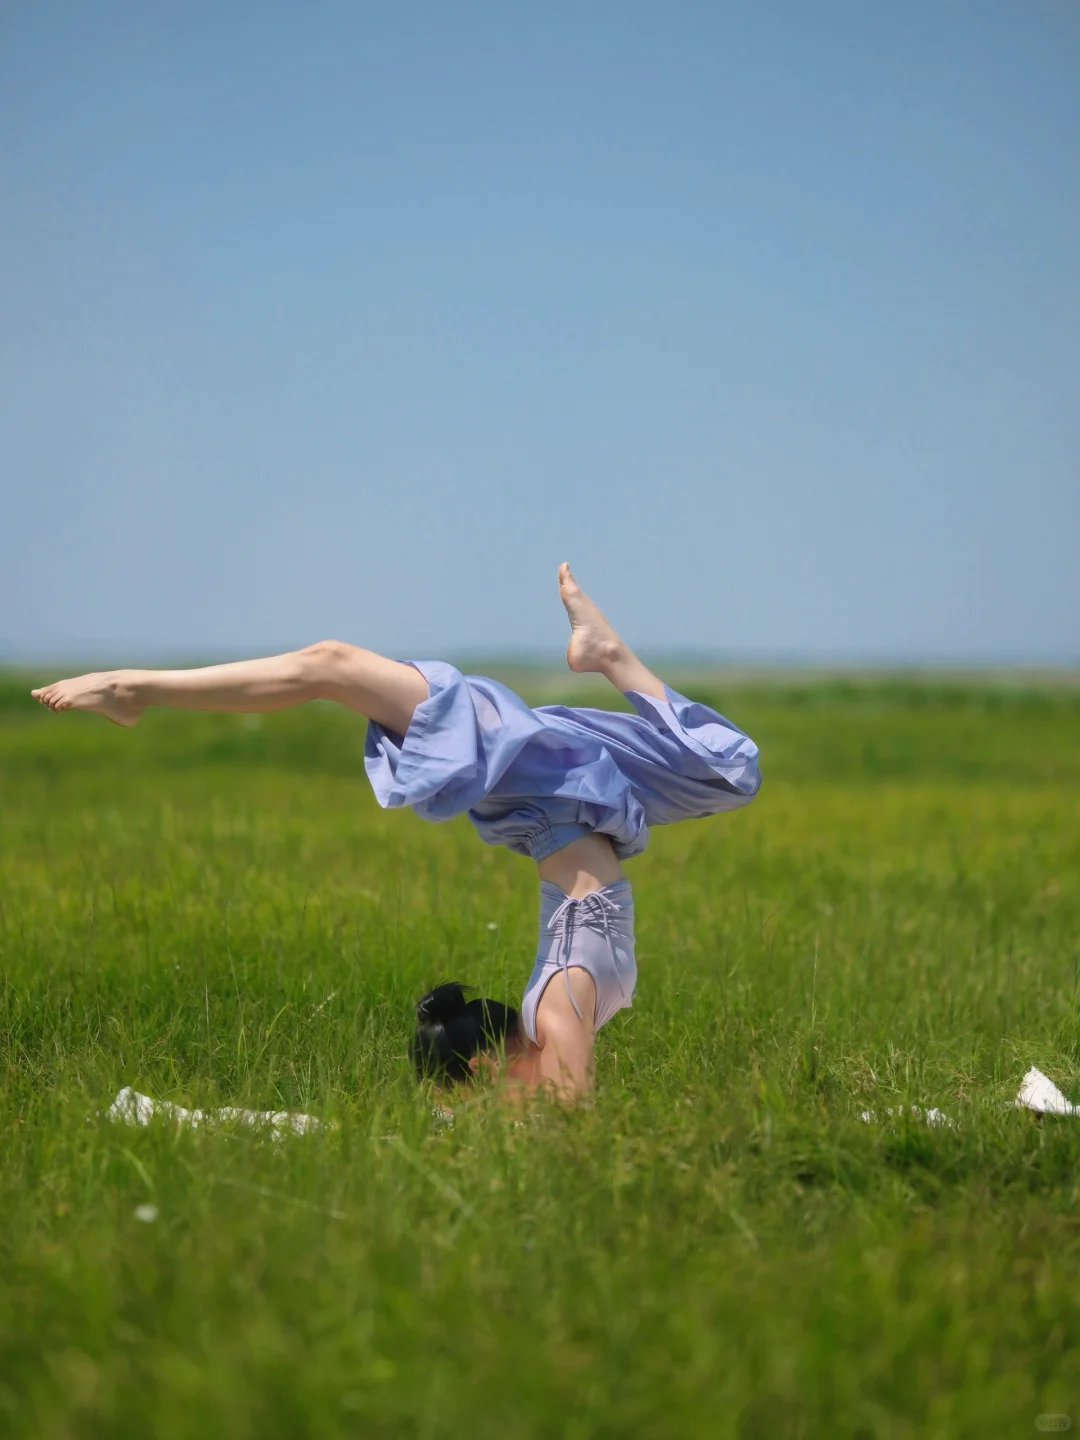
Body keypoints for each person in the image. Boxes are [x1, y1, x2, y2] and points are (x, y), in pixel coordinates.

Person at [32, 564, 761, 1100]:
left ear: (485, 1070)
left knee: (330, 664)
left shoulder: (555, 1010)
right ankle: (606, 656)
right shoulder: (561, 1015)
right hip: (559, 794)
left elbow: (563, 1118)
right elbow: (571, 1121)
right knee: (728, 773)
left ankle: (133, 688)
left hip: (542, 794)